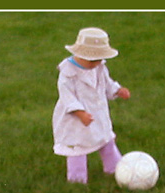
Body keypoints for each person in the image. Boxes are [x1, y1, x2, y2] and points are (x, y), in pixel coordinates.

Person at [52, 27, 131, 184]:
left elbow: (107, 83)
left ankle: (115, 168)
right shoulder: (68, 73)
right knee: (78, 148)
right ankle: (77, 179)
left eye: (99, 60)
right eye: (92, 60)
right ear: (80, 54)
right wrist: (80, 113)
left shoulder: (99, 67)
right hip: (76, 120)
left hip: (97, 113)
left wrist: (117, 90)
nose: (96, 63)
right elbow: (67, 97)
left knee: (106, 140)